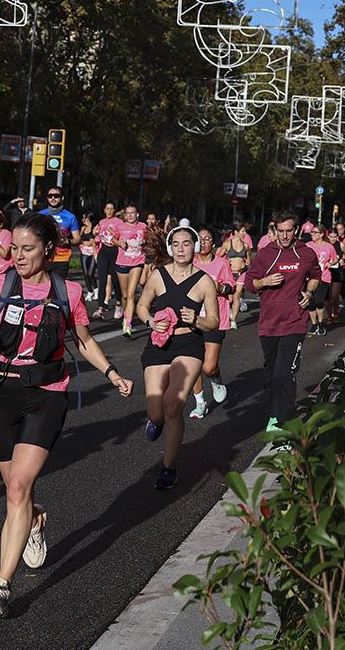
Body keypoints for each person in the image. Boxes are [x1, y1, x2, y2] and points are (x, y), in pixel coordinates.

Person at [0, 213, 134, 617]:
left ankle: (1, 586)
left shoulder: (67, 291)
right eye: (14, 248)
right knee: (15, 493)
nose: (17, 256)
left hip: (47, 395)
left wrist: (111, 373)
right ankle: (35, 521)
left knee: (18, 487)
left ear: (48, 250)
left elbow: (83, 340)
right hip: (1, 394)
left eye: (27, 249)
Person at [135, 223, 220, 488]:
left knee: (173, 405)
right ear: (170, 248)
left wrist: (197, 320)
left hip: (189, 345)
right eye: (176, 244)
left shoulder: (205, 281)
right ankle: (157, 421)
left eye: (186, 244)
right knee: (156, 411)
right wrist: (149, 322)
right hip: (159, 344)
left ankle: (168, 468)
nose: (181, 249)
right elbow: (141, 305)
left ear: (195, 247)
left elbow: (214, 322)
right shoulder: (158, 275)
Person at [245, 211, 321, 431]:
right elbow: (250, 284)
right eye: (281, 231)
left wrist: (309, 292)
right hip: (269, 323)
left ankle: (285, 422)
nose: (285, 236)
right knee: (271, 373)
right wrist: (265, 281)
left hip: (295, 322)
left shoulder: (305, 253)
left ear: (296, 230)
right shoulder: (265, 254)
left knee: (284, 373)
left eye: (289, 231)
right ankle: (273, 415)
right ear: (274, 230)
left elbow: (315, 276)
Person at [190, 228, 234, 419]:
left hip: (215, 320)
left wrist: (220, 287)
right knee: (192, 365)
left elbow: (231, 287)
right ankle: (200, 403)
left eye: (207, 239)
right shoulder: (189, 263)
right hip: (191, 319)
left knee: (208, 367)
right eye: (200, 239)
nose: (204, 242)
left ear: (213, 243)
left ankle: (215, 378)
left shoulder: (221, 264)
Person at [113, 205, 148, 334]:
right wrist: (119, 243)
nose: (130, 215)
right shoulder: (120, 227)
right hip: (122, 262)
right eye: (128, 213)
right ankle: (125, 313)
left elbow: (150, 240)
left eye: (132, 213)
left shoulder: (143, 227)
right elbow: (113, 239)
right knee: (125, 295)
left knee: (131, 294)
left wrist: (147, 242)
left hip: (137, 262)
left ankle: (127, 324)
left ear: (137, 214)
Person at [39, 187, 80, 274]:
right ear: (47, 198)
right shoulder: (40, 215)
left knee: (58, 286)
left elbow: (77, 239)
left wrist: (67, 241)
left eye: (56, 196)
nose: (53, 198)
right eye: (50, 196)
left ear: (62, 198)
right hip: (43, 256)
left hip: (62, 257)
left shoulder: (70, 217)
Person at [307, 226, 338, 336]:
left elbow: (335, 258)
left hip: (324, 278)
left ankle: (320, 323)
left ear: (321, 234)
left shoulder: (329, 247)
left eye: (314, 232)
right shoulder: (308, 246)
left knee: (319, 301)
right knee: (311, 303)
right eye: (311, 232)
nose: (312, 234)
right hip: (310, 278)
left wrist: (330, 263)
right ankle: (314, 324)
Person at [222, 222, 252, 320]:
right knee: (230, 299)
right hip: (230, 273)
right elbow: (219, 257)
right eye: (243, 231)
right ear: (236, 232)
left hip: (242, 272)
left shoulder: (246, 246)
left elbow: (249, 258)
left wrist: (248, 261)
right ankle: (228, 312)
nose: (244, 233)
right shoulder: (227, 244)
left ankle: (233, 320)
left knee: (237, 295)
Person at [95, 203, 122, 310]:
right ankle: (100, 307)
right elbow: (98, 238)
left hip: (115, 251)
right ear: (104, 210)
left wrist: (114, 232)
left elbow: (122, 238)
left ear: (114, 210)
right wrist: (96, 233)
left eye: (111, 209)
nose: (109, 211)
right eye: (107, 209)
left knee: (115, 280)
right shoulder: (102, 222)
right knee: (102, 281)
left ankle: (119, 302)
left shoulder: (119, 222)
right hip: (103, 252)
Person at [78, 212, 98, 301]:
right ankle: (90, 291)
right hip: (84, 251)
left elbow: (95, 241)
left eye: (84, 218)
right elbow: (80, 239)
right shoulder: (83, 228)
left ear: (88, 219)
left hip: (93, 251)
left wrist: (91, 243)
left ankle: (96, 289)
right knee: (85, 273)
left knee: (91, 273)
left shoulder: (94, 228)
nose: (82, 220)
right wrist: (84, 242)